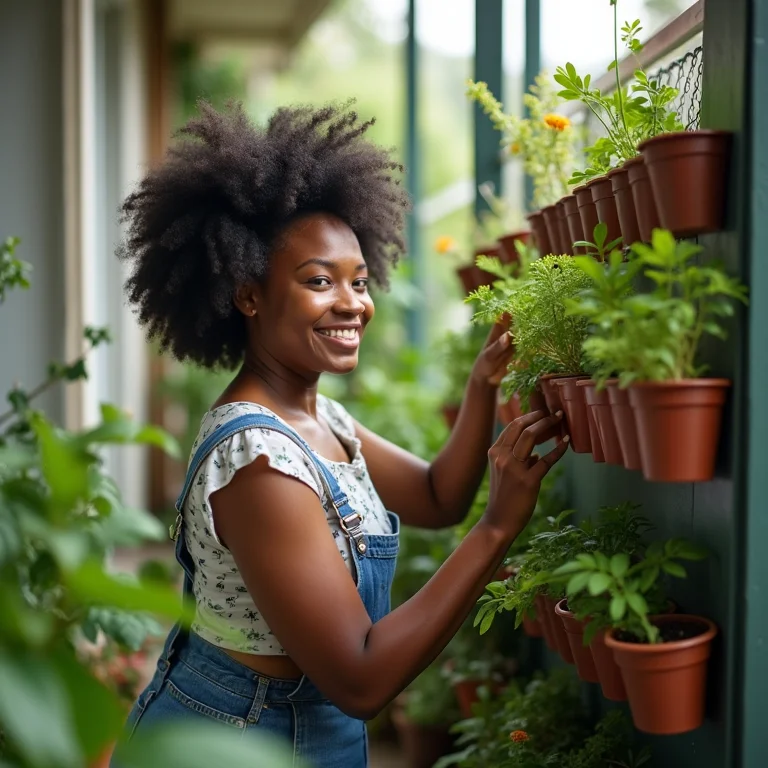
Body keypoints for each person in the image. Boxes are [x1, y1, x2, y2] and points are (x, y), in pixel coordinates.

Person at [112, 100, 568, 767]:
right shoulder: (258, 461)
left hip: (296, 728)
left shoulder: (320, 419)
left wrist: (481, 386)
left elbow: (439, 497)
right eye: (318, 282)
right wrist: (497, 528)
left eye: (357, 280)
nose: (352, 302)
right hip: (235, 738)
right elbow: (360, 678)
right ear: (248, 295)